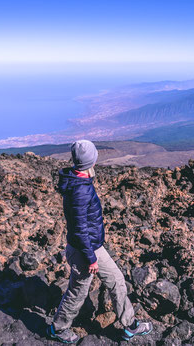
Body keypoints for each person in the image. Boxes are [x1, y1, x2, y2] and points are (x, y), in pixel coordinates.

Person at [47, 139, 153, 343]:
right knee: (79, 290)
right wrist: (91, 259)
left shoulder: (78, 181)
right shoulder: (80, 190)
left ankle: (130, 325)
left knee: (115, 280)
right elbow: (79, 229)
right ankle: (58, 329)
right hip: (85, 251)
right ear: (90, 161)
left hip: (87, 247)